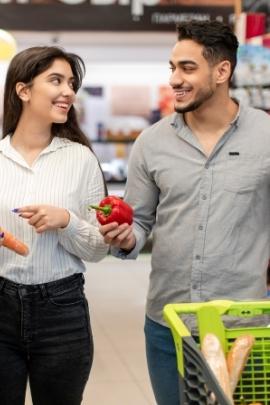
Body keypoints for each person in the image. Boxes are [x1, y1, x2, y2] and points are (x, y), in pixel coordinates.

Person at [99, 20, 270, 405]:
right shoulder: (152, 143)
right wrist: (127, 239)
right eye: (172, 68)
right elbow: (140, 222)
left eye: (187, 68)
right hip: (167, 322)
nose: (175, 79)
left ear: (222, 71)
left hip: (244, 326)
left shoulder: (266, 136)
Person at [0, 46, 108, 405]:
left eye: (71, 83)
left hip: (62, 310)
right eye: (56, 80)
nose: (69, 92)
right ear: (23, 90)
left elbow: (97, 249)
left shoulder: (80, 159)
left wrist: (66, 221)